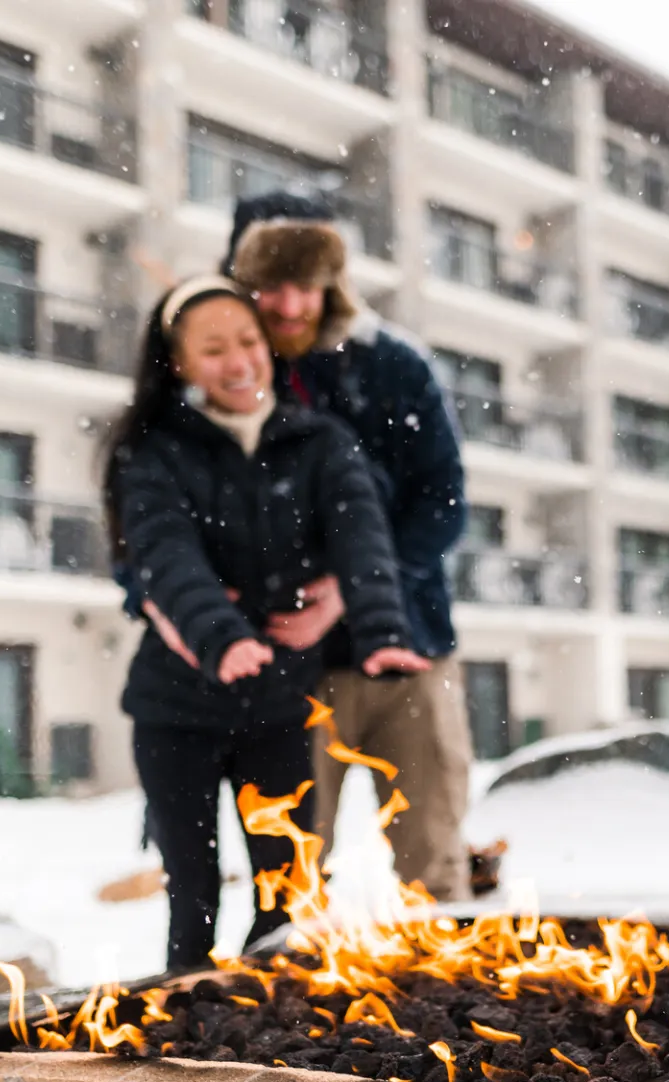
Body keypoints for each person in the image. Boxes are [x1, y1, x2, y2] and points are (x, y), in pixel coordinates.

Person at [103, 274, 428, 972]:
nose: (239, 360)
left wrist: (380, 631)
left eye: (248, 340)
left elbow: (363, 539)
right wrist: (221, 638)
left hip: (280, 706)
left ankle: (272, 1033)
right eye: (213, 349)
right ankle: (183, 1027)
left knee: (286, 891)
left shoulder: (322, 443)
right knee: (192, 895)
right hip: (176, 711)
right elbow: (166, 557)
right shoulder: (156, 452)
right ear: (181, 363)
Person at [221, 189, 474, 901]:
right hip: (288, 670)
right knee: (291, 882)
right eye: (273, 285)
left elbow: (444, 502)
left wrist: (351, 588)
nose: (292, 304)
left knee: (435, 866)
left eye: (308, 284)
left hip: (410, 652)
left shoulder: (393, 367)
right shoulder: (222, 380)